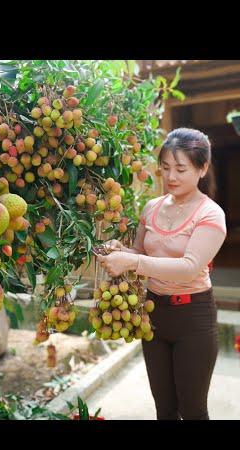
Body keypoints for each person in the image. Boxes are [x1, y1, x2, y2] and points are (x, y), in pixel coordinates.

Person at [96, 127, 227, 420]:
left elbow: (190, 267)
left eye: (181, 169)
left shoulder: (210, 214)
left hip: (193, 318)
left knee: (193, 410)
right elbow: (141, 254)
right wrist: (119, 251)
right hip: (153, 314)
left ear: (202, 168)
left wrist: (131, 263)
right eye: (166, 168)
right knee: (164, 409)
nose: (171, 177)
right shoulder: (152, 207)